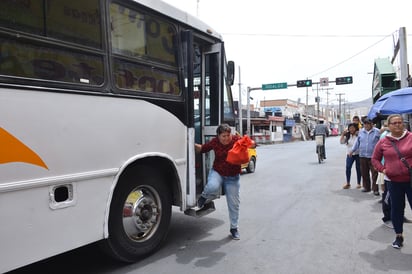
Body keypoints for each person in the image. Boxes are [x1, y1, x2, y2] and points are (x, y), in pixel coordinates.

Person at [371, 114, 412, 249]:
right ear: (388, 126)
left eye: (400, 122)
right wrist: (383, 169)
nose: (397, 125)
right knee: (397, 209)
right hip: (393, 182)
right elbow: (375, 159)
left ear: (403, 124)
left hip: (410, 180)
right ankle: (399, 236)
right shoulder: (383, 141)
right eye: (394, 123)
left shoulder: (411, 137)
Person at [195, 124, 242, 240]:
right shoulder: (215, 142)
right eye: (223, 136)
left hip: (233, 177)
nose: (226, 138)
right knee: (212, 186)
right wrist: (190, 143)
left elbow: (248, 143)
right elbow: (203, 148)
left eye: (228, 135)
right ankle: (203, 197)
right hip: (218, 172)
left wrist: (252, 144)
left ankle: (234, 228)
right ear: (218, 136)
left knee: (234, 204)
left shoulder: (236, 140)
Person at [350, 118, 380, 195]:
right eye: (365, 124)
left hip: (373, 156)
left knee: (375, 174)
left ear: (372, 124)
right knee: (364, 173)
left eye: (368, 124)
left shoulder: (377, 132)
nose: (366, 125)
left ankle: (375, 189)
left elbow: (381, 142)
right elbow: (357, 142)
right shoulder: (361, 132)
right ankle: (366, 187)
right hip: (363, 155)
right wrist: (352, 150)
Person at [340, 123, 361, 189]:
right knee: (348, 167)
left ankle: (359, 183)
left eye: (353, 128)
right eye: (350, 128)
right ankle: (348, 183)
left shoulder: (358, 135)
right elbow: (341, 142)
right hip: (349, 154)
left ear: (356, 128)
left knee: (358, 168)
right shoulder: (347, 135)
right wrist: (343, 135)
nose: (351, 129)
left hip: (358, 154)